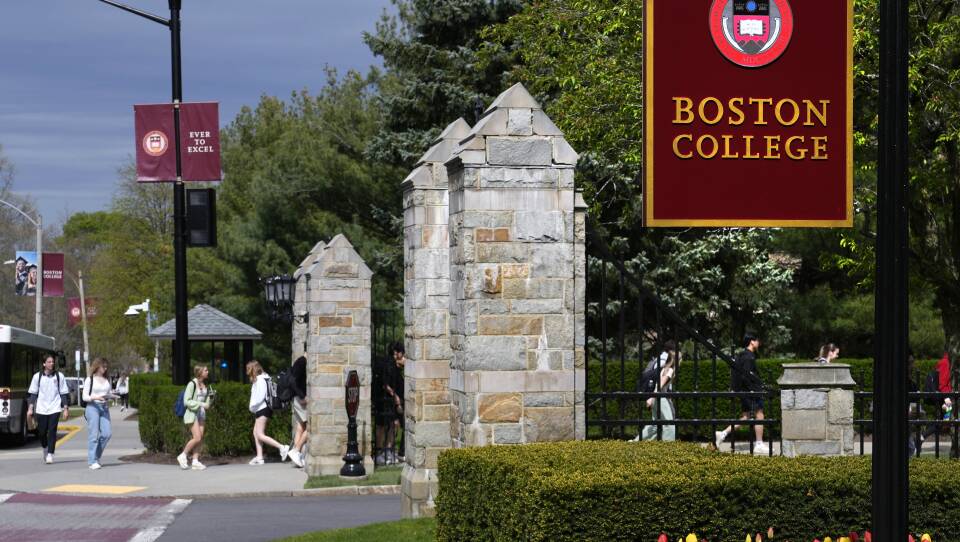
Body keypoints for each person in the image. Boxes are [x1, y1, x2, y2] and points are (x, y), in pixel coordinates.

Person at [715, 333, 768, 454]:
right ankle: (759, 443)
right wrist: (754, 390)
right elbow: (746, 375)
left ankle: (722, 434)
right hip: (751, 392)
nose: (759, 343)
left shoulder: (742, 355)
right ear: (752, 342)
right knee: (759, 415)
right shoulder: (748, 357)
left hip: (745, 392)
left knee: (746, 417)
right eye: (757, 340)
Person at [27, 354, 70, 464]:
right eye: (49, 362)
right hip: (41, 408)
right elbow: (33, 394)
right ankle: (45, 448)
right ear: (44, 364)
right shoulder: (37, 377)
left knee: (52, 431)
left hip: (55, 408)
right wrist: (30, 408)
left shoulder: (59, 376)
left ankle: (50, 453)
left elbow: (63, 393)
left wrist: (65, 408)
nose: (52, 364)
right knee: (41, 432)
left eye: (53, 362)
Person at [246, 361, 290, 466]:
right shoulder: (264, 378)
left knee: (260, 434)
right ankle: (259, 457)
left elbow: (261, 397)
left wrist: (252, 406)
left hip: (262, 408)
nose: (247, 372)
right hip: (261, 408)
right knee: (255, 433)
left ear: (253, 369)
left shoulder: (260, 380)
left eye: (248, 369)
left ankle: (282, 447)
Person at [637, 341, 679, 441]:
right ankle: (668, 447)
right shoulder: (669, 369)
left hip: (656, 397)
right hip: (661, 397)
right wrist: (652, 397)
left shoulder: (662, 364)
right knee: (669, 424)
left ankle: (636, 442)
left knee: (655, 424)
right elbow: (659, 384)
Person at [178, 365, 213, 470]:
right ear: (200, 372)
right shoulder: (192, 384)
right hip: (192, 414)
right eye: (206, 370)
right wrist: (201, 404)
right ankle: (183, 455)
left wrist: (211, 398)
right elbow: (186, 401)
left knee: (200, 438)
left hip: (201, 414)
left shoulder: (205, 385)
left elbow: (206, 404)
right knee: (197, 437)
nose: (208, 372)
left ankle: (195, 461)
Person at [83, 357, 115, 470]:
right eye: (103, 366)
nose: (105, 369)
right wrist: (96, 397)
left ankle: (96, 456)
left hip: (104, 407)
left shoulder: (106, 380)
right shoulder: (90, 379)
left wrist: (112, 396)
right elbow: (84, 397)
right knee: (94, 435)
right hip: (93, 407)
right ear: (97, 366)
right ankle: (92, 461)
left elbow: (108, 393)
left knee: (107, 433)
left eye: (106, 367)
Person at [375, 343, 404, 465]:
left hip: (388, 399)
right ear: (397, 352)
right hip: (384, 399)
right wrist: (395, 396)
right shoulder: (388, 364)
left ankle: (388, 450)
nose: (402, 356)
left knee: (392, 424)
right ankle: (380, 452)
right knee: (382, 425)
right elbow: (385, 384)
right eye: (401, 353)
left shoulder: (393, 365)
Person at [289, 356, 308, 468]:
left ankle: (296, 456)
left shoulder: (301, 361)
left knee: (300, 427)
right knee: (311, 427)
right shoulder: (302, 361)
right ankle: (296, 450)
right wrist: (302, 396)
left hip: (297, 398)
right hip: (300, 399)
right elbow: (293, 381)